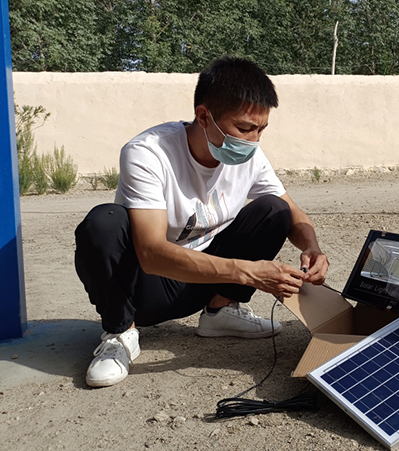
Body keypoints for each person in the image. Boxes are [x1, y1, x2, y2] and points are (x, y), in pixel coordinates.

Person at [74, 56, 329, 388]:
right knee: (104, 222)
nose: (253, 141)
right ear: (204, 116)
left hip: (205, 278)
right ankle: (120, 333)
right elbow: (151, 253)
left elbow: (292, 212)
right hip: (147, 286)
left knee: (273, 210)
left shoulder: (251, 157)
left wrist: (312, 247)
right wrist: (250, 272)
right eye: (244, 128)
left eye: (261, 129)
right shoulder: (148, 153)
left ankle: (220, 313)